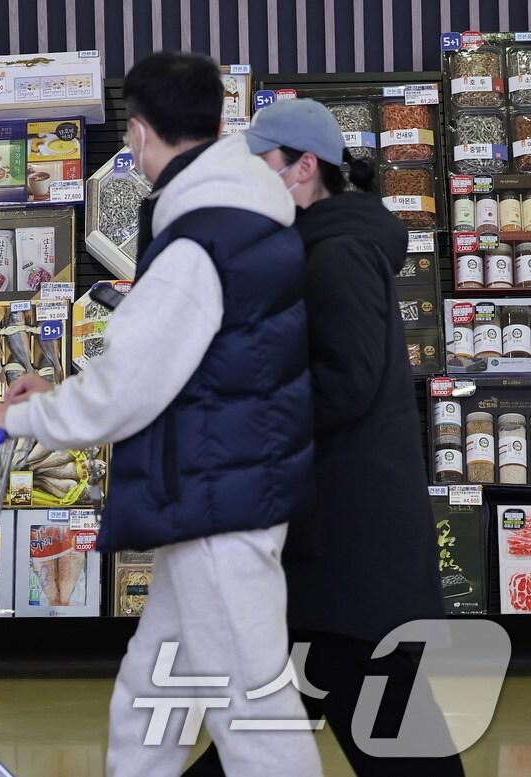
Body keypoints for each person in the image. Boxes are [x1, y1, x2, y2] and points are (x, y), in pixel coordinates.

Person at [0, 52, 320, 776]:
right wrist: (55, 396)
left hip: (214, 505)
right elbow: (183, 361)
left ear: (136, 133)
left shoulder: (199, 236)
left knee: (253, 714)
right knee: (151, 691)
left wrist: (14, 422)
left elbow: (127, 386)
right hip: (215, 492)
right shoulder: (245, 212)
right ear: (217, 119)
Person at [180, 99, 464, 777]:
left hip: (347, 555)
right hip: (340, 552)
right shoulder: (319, 250)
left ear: (305, 169)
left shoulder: (334, 255)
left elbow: (345, 383)